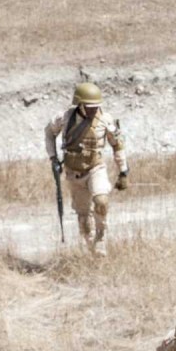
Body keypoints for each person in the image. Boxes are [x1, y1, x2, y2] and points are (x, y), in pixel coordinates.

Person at [44, 82, 128, 256]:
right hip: (73, 173)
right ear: (79, 104)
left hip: (95, 168)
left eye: (95, 106)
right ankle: (92, 250)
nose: (93, 110)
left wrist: (123, 171)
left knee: (101, 201)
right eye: (89, 107)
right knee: (83, 218)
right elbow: (49, 133)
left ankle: (101, 237)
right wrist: (53, 157)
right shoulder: (64, 118)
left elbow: (117, 144)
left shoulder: (105, 119)